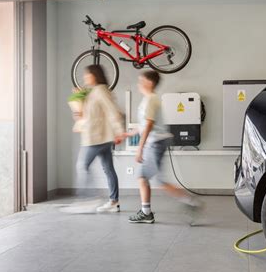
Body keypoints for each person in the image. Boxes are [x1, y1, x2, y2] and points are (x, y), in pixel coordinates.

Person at [128, 70, 201, 223]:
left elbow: (148, 125)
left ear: (149, 82)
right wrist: (126, 135)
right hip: (156, 142)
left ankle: (190, 202)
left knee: (147, 178)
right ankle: (147, 211)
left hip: (155, 143)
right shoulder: (149, 99)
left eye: (141, 81)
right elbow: (143, 125)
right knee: (147, 178)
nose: (138, 84)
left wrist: (140, 148)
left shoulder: (150, 100)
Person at [75, 64, 125, 213]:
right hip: (101, 137)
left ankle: (90, 198)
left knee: (82, 166)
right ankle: (113, 201)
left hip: (96, 138)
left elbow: (113, 112)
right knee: (108, 169)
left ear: (95, 75)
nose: (85, 78)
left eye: (87, 75)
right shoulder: (93, 92)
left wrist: (119, 131)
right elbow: (89, 115)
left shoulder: (101, 90)